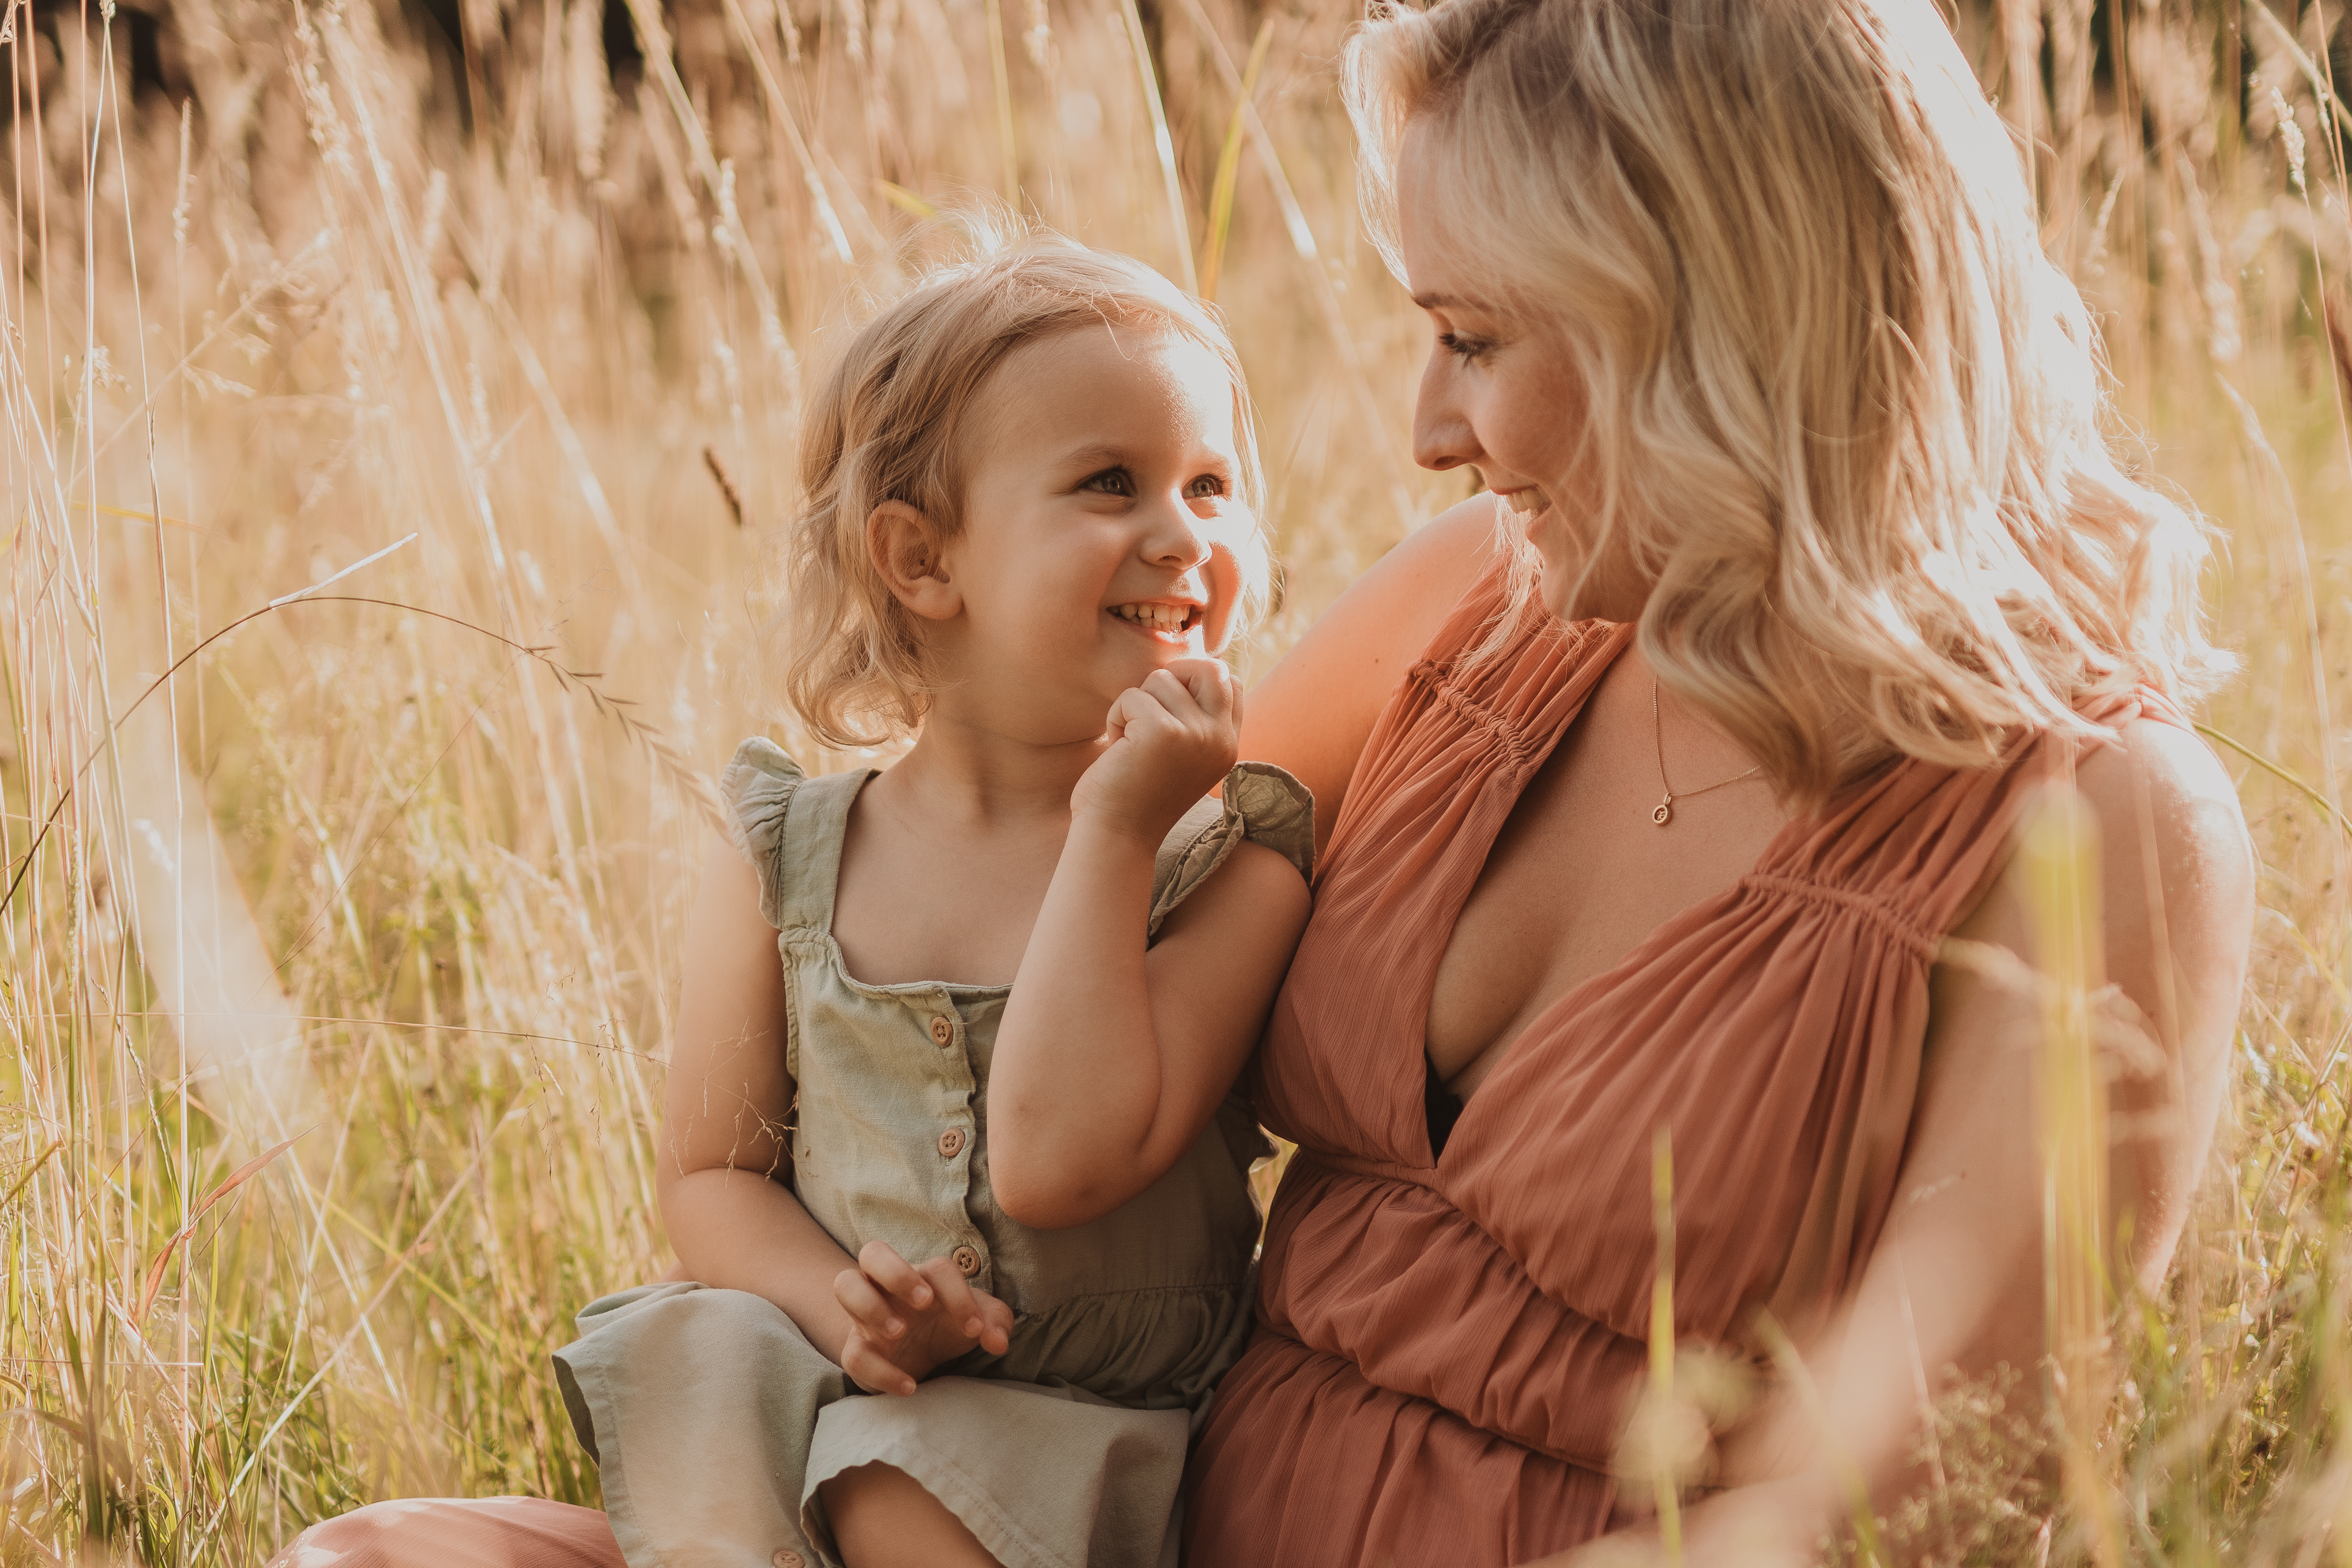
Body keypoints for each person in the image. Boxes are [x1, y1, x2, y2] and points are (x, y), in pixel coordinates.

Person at [1176, 0, 2253, 1563]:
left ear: (1717, 324)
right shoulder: (1471, 602)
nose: (1426, 432)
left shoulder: (2103, 826)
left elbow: (1907, 1494)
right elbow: (1068, 990)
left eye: (1474, 340)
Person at [268, 239, 1312, 1568]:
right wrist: (842, 1305)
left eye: (1212, 485)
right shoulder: (793, 854)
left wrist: (1116, 824)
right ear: (922, 559)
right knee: (375, 1546)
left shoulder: (1233, 863)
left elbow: (1066, 1159)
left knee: (894, 1496)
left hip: (1084, 1448)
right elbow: (712, 1177)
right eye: (1111, 482)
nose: (1183, 534)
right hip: (828, 1389)